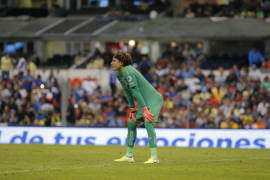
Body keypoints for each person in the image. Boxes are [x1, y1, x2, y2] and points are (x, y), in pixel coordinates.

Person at [112, 51, 163, 164]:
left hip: (153, 99)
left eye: (114, 61)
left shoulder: (128, 72)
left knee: (148, 122)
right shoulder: (119, 73)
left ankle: (154, 157)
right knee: (131, 122)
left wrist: (144, 109)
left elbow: (136, 91)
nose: (112, 63)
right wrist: (132, 109)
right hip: (144, 100)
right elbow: (127, 91)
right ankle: (129, 155)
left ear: (121, 62)